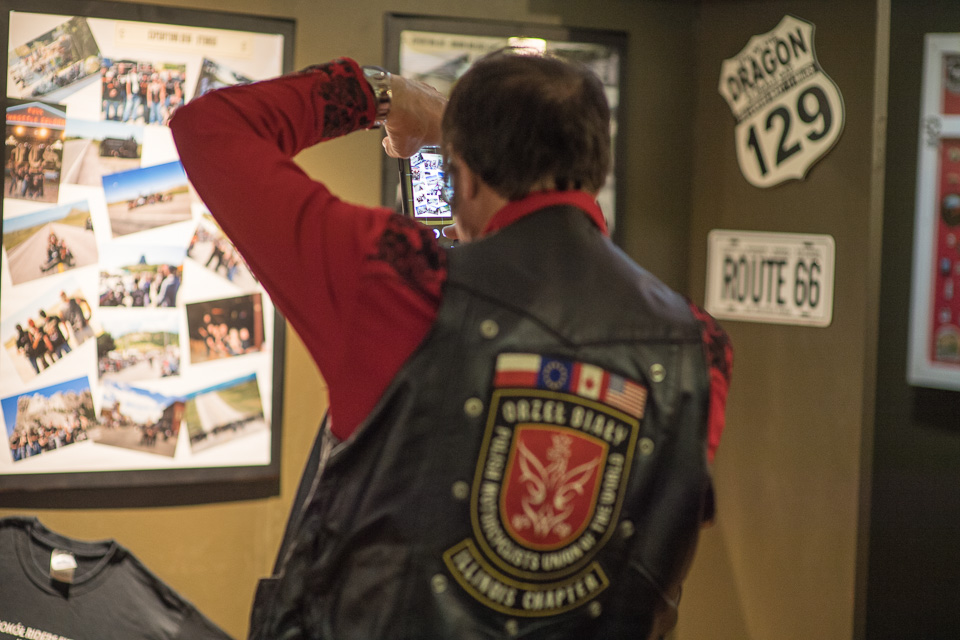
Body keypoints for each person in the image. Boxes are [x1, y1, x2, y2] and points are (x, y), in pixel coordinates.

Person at [171, 52, 732, 640]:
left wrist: (389, 96)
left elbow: (209, 127)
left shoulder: (401, 284)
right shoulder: (697, 346)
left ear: (463, 179)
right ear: (597, 169)